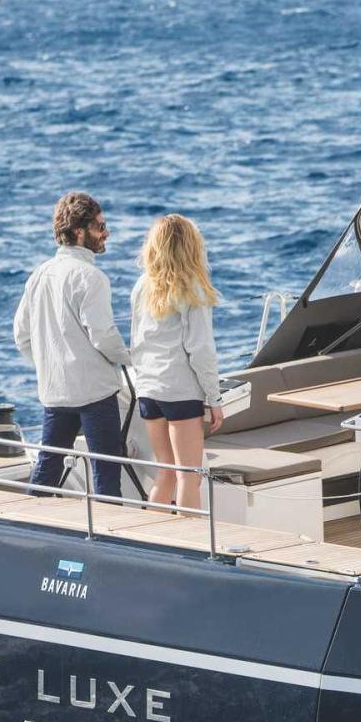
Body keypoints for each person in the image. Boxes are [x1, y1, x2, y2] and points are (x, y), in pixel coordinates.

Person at [13, 191, 130, 498]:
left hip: (56, 391)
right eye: (100, 227)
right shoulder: (91, 277)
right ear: (80, 232)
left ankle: (25, 522)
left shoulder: (39, 275)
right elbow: (103, 336)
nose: (106, 233)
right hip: (95, 393)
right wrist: (131, 358)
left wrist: (50, 364)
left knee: (47, 470)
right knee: (106, 475)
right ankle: (108, 528)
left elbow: (21, 335)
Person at [129, 214, 223, 511]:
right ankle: (190, 536)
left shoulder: (142, 285)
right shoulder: (193, 288)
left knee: (166, 473)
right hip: (180, 391)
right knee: (189, 476)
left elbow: (136, 342)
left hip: (149, 391)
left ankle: (150, 533)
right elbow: (201, 351)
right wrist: (215, 398)